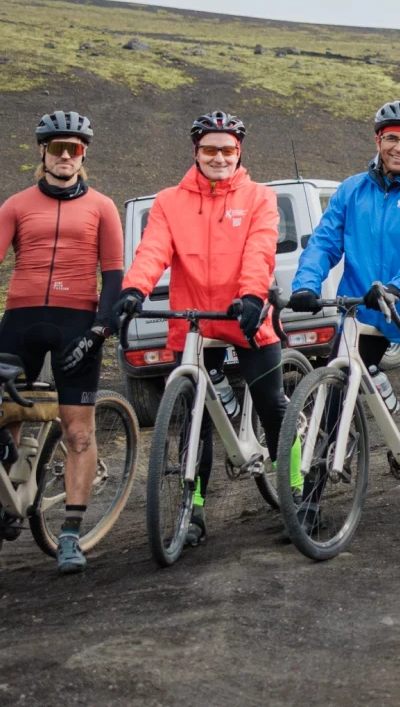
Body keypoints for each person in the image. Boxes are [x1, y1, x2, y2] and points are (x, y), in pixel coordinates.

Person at [290, 101, 400, 538]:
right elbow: (325, 240)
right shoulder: (353, 189)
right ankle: (309, 503)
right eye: (392, 138)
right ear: (378, 141)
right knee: (331, 399)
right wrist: (306, 284)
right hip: (363, 308)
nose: (399, 147)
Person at [118, 111, 286, 549]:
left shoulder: (259, 198)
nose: (219, 157)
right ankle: (193, 509)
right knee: (195, 421)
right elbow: (153, 250)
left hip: (244, 318)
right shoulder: (170, 201)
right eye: (210, 149)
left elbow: (260, 250)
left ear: (239, 152)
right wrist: (135, 289)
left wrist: (252, 296)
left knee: (273, 408)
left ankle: (300, 493)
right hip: (192, 326)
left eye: (227, 150)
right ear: (196, 152)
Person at [0, 112, 123, 574]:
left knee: (78, 431)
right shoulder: (15, 205)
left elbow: (113, 274)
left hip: (77, 324)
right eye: (57, 149)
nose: (66, 156)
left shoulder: (102, 207)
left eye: (74, 149)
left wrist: (99, 331)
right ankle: (11, 495)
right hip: (21, 320)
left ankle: (69, 535)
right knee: (6, 417)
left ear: (84, 153)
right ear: (42, 153)